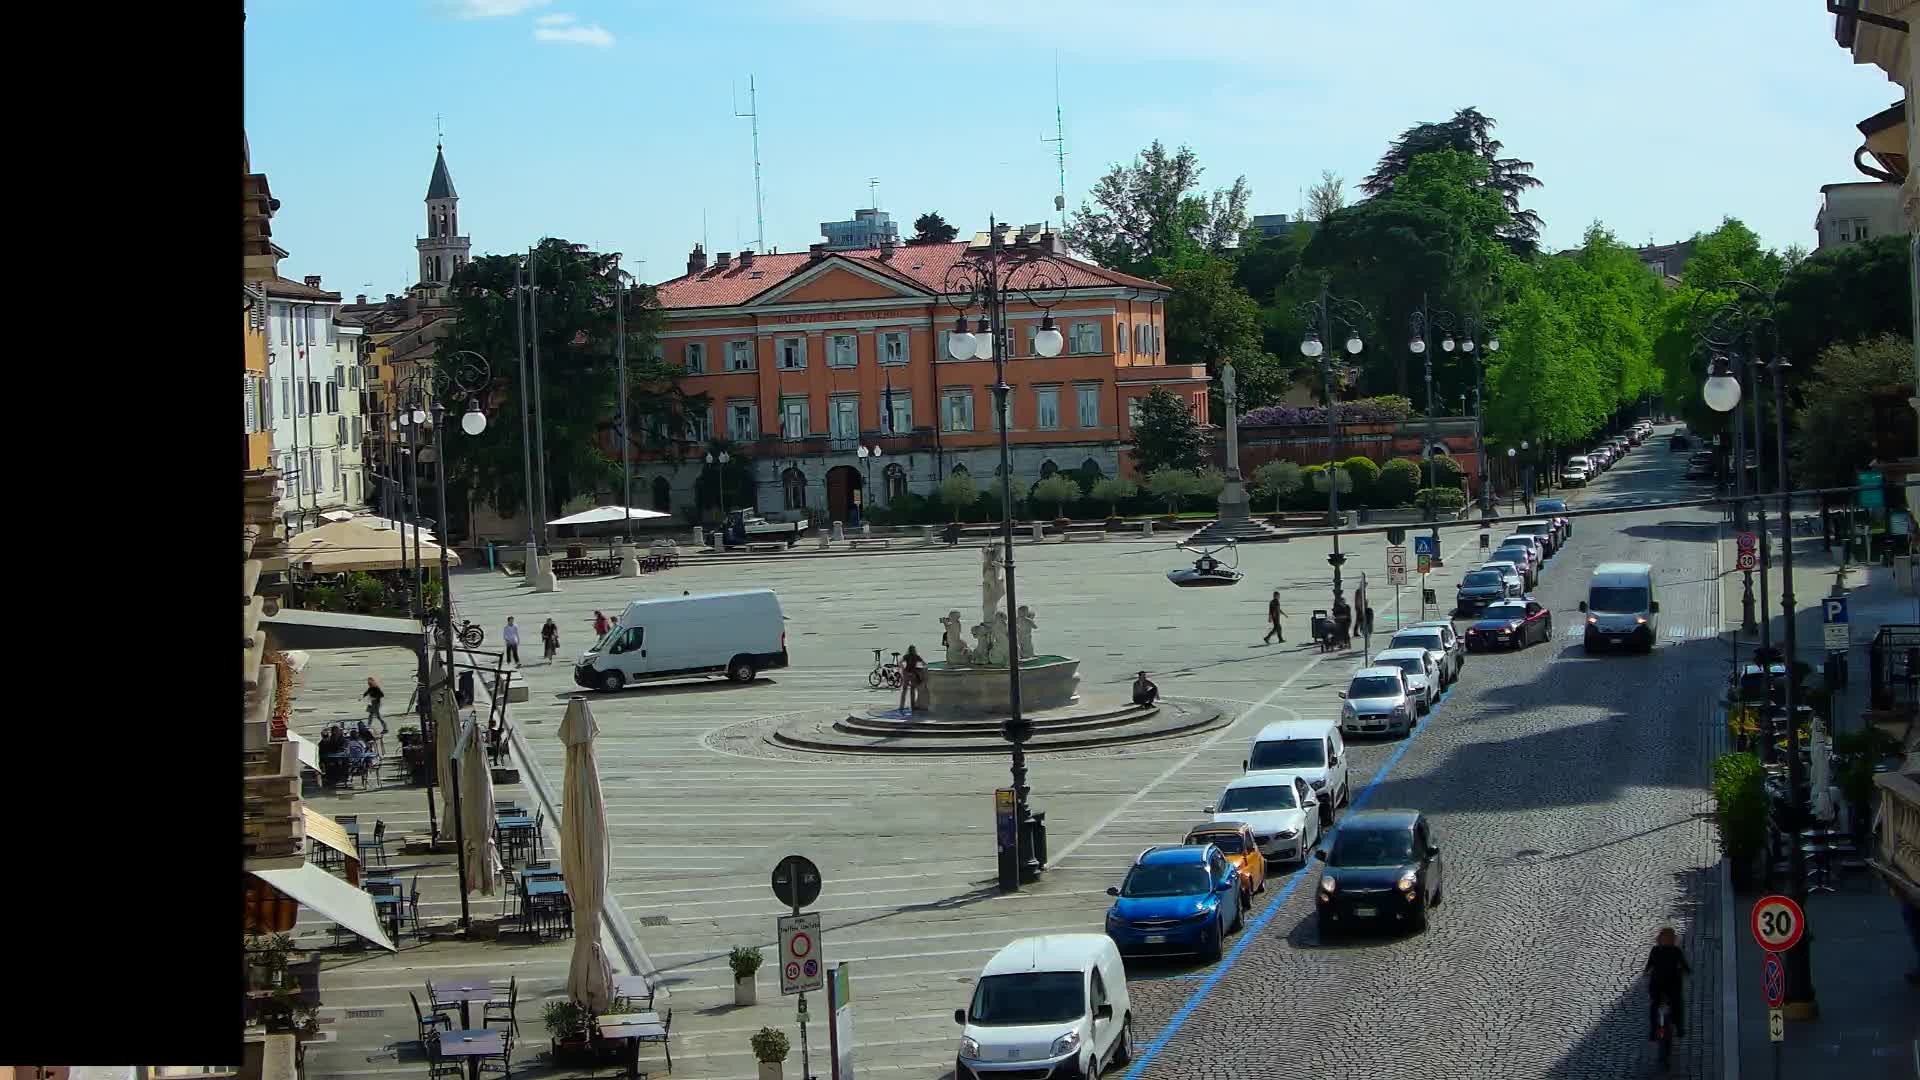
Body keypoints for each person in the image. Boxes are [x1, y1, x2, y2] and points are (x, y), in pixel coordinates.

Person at [1643, 927, 1690, 1039]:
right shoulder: (1676, 951)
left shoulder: (1655, 950)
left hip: (1657, 986)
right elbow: (1685, 967)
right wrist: (1686, 972)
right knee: (1678, 1005)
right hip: (1673, 986)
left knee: (1654, 1005)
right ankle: (1679, 1028)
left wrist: (1646, 973)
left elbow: (1649, 966)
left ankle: (1653, 1031)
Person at [898, 645, 927, 714]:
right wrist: (922, 670)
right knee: (912, 691)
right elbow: (925, 664)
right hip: (913, 674)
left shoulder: (906, 656)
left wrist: (903, 668)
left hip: (906, 673)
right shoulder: (916, 656)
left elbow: (900, 662)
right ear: (914, 650)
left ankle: (901, 706)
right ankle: (912, 706)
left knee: (904, 691)